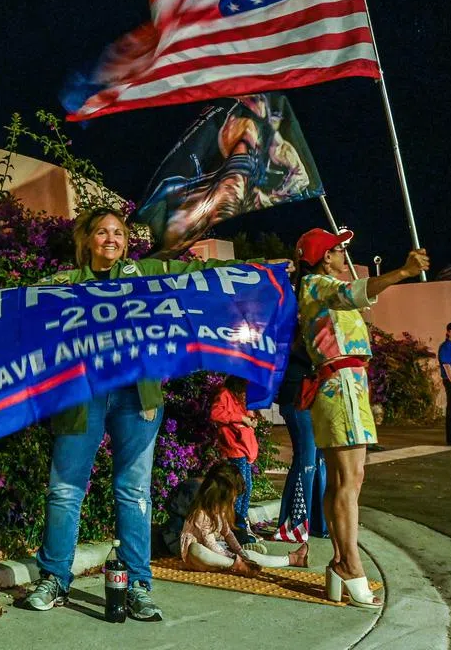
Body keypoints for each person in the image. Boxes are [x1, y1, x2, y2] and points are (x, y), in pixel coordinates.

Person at [22, 207, 288, 621]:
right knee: (65, 490)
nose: (111, 238)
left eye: (119, 232)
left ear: (127, 242)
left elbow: (202, 275)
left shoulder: (143, 274)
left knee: (134, 493)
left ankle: (137, 586)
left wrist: (258, 270)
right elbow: (18, 308)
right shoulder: (66, 284)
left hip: (137, 399)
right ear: (87, 240)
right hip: (82, 399)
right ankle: (54, 579)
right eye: (102, 232)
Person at [294, 228, 429, 608]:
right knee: (349, 480)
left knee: (342, 480)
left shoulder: (315, 286)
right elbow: (353, 293)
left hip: (342, 383)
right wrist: (403, 271)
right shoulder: (317, 285)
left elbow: (354, 297)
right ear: (324, 257)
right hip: (341, 385)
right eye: (339, 249)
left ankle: (342, 563)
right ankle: (350, 565)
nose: (344, 254)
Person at [180, 463, 309, 574]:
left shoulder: (220, 511)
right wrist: (234, 557)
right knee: (195, 549)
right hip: (201, 559)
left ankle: (292, 559)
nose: (235, 500)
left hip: (221, 556)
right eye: (233, 496)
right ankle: (237, 564)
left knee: (250, 555)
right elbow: (210, 545)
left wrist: (240, 553)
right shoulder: (201, 513)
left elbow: (228, 533)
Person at [270, 341, 329, 542]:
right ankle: (294, 525)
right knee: (307, 461)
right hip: (297, 397)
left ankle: (318, 525)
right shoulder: (295, 328)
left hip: (317, 397)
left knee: (320, 461)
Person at [209, 375, 260, 543]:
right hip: (235, 447)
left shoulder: (242, 397)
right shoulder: (225, 394)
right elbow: (216, 413)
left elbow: (246, 414)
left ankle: (241, 524)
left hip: (246, 448)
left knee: (247, 487)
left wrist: (251, 418)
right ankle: (234, 527)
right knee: (238, 488)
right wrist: (241, 418)